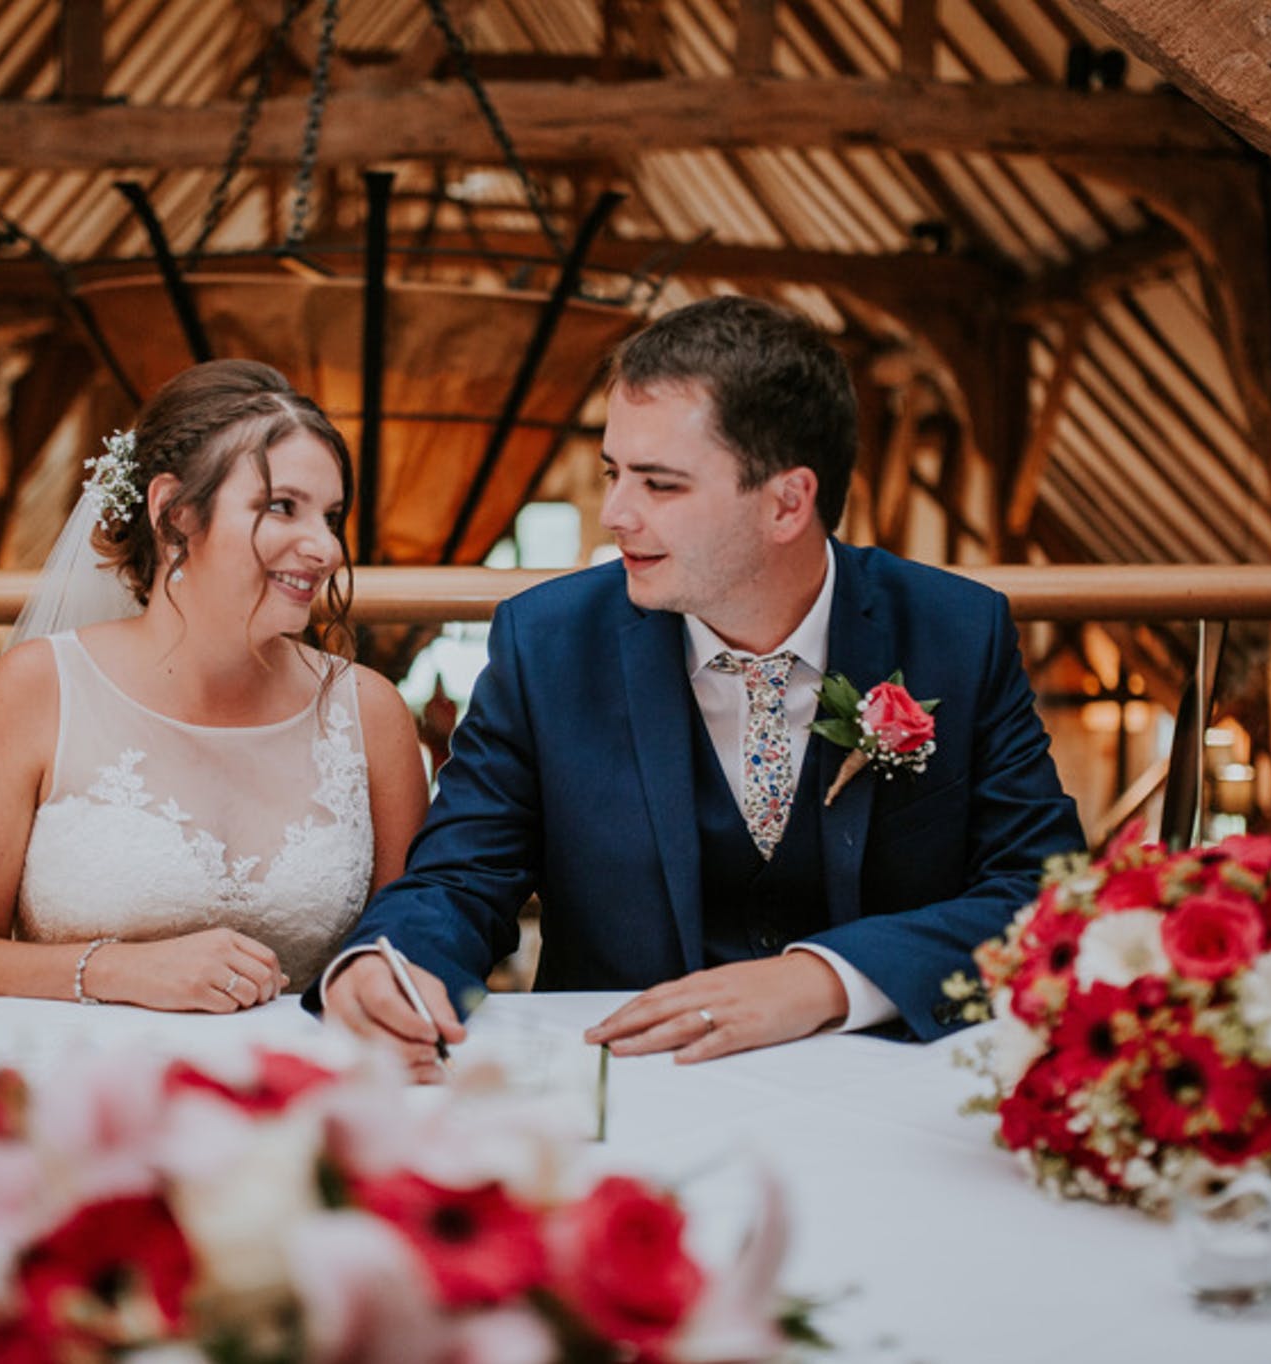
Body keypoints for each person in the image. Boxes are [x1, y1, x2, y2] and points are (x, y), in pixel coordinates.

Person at [318, 296, 1083, 1074]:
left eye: (660, 484)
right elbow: (461, 875)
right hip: (628, 1083)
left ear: (788, 502)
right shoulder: (548, 644)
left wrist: (826, 978)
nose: (615, 513)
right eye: (616, 473)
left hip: (884, 1077)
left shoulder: (955, 632)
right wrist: (389, 963)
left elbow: (1045, 892)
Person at [0, 360, 428, 1011]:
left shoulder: (367, 712)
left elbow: (412, 947)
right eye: (282, 507)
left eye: (331, 516)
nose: (324, 548)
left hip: (301, 1092)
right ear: (174, 512)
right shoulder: (38, 689)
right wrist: (113, 971)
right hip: (87, 1091)